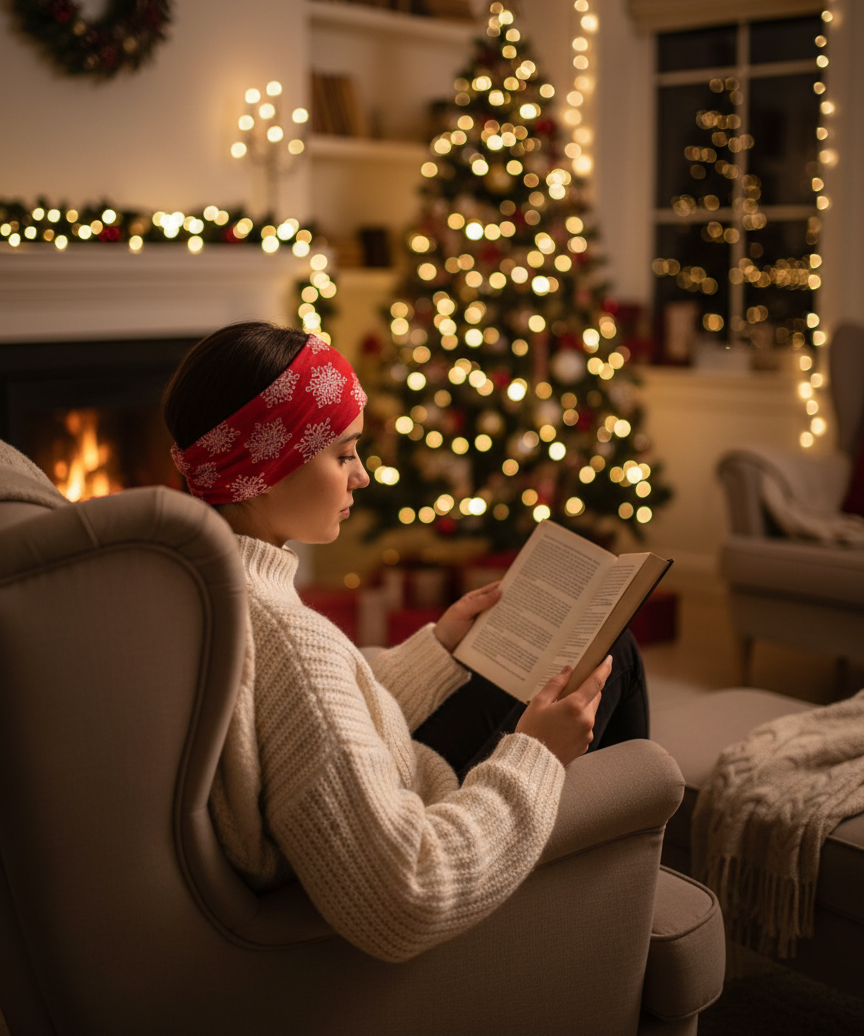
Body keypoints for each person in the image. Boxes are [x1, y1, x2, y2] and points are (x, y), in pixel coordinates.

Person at [162, 321, 649, 963]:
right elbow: (406, 893)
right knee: (614, 654)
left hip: (398, 770)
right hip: (425, 816)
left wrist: (437, 650)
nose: (361, 477)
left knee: (567, 647)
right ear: (267, 465)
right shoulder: (288, 638)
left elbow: (307, 724)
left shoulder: (192, 575)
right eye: (344, 455)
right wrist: (537, 753)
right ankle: (614, 894)